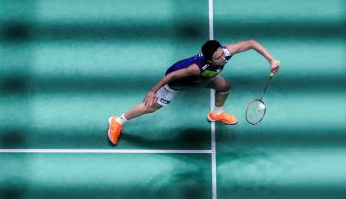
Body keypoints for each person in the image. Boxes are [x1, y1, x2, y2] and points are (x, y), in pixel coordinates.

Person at [107, 39, 280, 145]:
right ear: (209, 59)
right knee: (151, 107)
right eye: (218, 57)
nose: (222, 58)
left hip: (205, 78)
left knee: (224, 86)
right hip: (179, 83)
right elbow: (170, 76)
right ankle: (117, 121)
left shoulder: (226, 52)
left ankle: (217, 114)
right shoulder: (195, 68)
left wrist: (271, 60)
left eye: (222, 54)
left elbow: (250, 43)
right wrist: (153, 91)